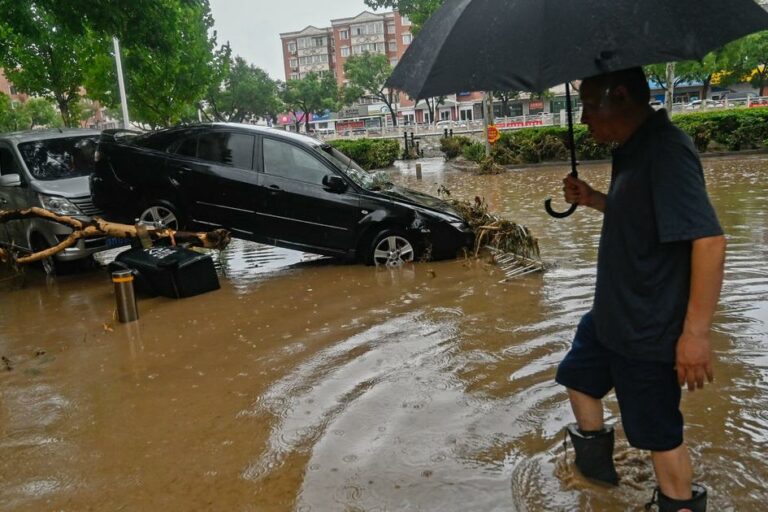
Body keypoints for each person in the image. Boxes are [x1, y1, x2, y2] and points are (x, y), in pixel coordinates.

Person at [554, 67, 726, 512]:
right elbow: (642, 215)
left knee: (657, 434)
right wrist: (593, 199)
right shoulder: (631, 149)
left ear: (623, 97)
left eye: (591, 106)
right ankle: (600, 488)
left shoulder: (666, 151)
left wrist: (695, 335)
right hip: (611, 315)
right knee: (578, 378)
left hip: (648, 326)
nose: (585, 118)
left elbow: (708, 240)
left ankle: (677, 503)